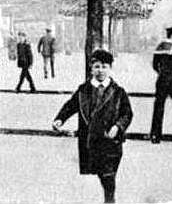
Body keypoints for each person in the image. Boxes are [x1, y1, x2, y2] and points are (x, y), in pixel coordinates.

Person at [52, 49, 132, 204]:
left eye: (104, 66)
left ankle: (110, 200)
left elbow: (127, 113)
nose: (100, 70)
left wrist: (118, 126)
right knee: (103, 174)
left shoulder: (118, 92)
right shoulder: (83, 90)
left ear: (110, 68)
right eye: (97, 66)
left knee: (108, 174)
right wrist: (60, 119)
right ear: (91, 68)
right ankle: (109, 198)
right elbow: (71, 106)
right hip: (91, 140)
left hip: (111, 139)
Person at [150, 25, 172, 144]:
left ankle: (155, 134)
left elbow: (155, 64)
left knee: (158, 107)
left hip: (162, 80)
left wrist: (161, 73)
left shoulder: (161, 46)